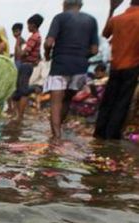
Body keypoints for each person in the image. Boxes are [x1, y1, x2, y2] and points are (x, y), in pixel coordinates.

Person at [44, 0, 99, 139]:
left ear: (64, 5)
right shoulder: (91, 20)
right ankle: (58, 131)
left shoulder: (60, 18)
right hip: (80, 66)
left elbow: (49, 42)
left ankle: (56, 136)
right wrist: (81, 55)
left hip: (60, 64)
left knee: (56, 102)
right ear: (80, 5)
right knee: (67, 100)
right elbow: (94, 50)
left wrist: (46, 54)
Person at [94, 0, 139, 140]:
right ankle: (112, 136)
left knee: (108, 100)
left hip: (115, 66)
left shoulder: (117, 19)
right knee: (122, 102)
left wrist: (111, 10)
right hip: (132, 65)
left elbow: (105, 34)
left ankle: (99, 133)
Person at [13, 14, 45, 121]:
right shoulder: (37, 37)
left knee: (23, 91)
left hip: (26, 65)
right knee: (19, 91)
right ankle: (18, 114)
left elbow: (23, 53)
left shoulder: (34, 37)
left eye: (28, 25)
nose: (27, 28)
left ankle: (20, 116)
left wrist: (18, 45)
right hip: (27, 65)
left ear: (33, 25)